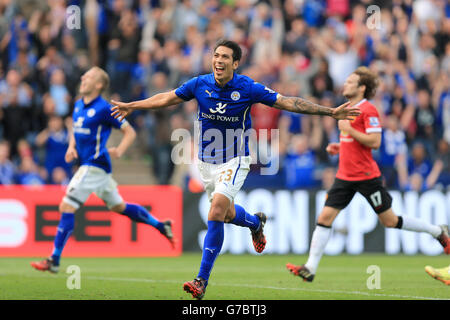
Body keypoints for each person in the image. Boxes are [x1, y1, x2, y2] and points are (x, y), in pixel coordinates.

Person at [111, 39, 361, 299]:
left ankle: (201, 281)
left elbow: (288, 102)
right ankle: (254, 222)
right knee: (228, 214)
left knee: (216, 210)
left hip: (236, 159)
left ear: (235, 63)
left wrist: (330, 112)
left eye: (225, 57)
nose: (218, 61)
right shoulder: (199, 84)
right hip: (206, 162)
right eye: (216, 56)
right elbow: (167, 98)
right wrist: (132, 105)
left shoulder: (247, 87)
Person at [286, 67, 450, 282]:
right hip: (344, 176)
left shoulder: (368, 110)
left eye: (350, 81)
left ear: (362, 87)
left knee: (389, 221)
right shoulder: (347, 108)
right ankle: (310, 268)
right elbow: (354, 140)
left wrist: (348, 130)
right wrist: (340, 146)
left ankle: (436, 230)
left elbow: (375, 141)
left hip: (365, 176)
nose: (345, 84)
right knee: (324, 217)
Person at [30, 67, 175, 274]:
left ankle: (54, 259)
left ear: (98, 85)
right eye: (84, 75)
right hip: (95, 168)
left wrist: (120, 150)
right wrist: (71, 146)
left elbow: (129, 132)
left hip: (94, 165)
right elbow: (75, 129)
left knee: (66, 206)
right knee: (119, 207)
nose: (83, 78)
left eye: (88, 76)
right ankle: (161, 225)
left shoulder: (104, 108)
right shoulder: (79, 104)